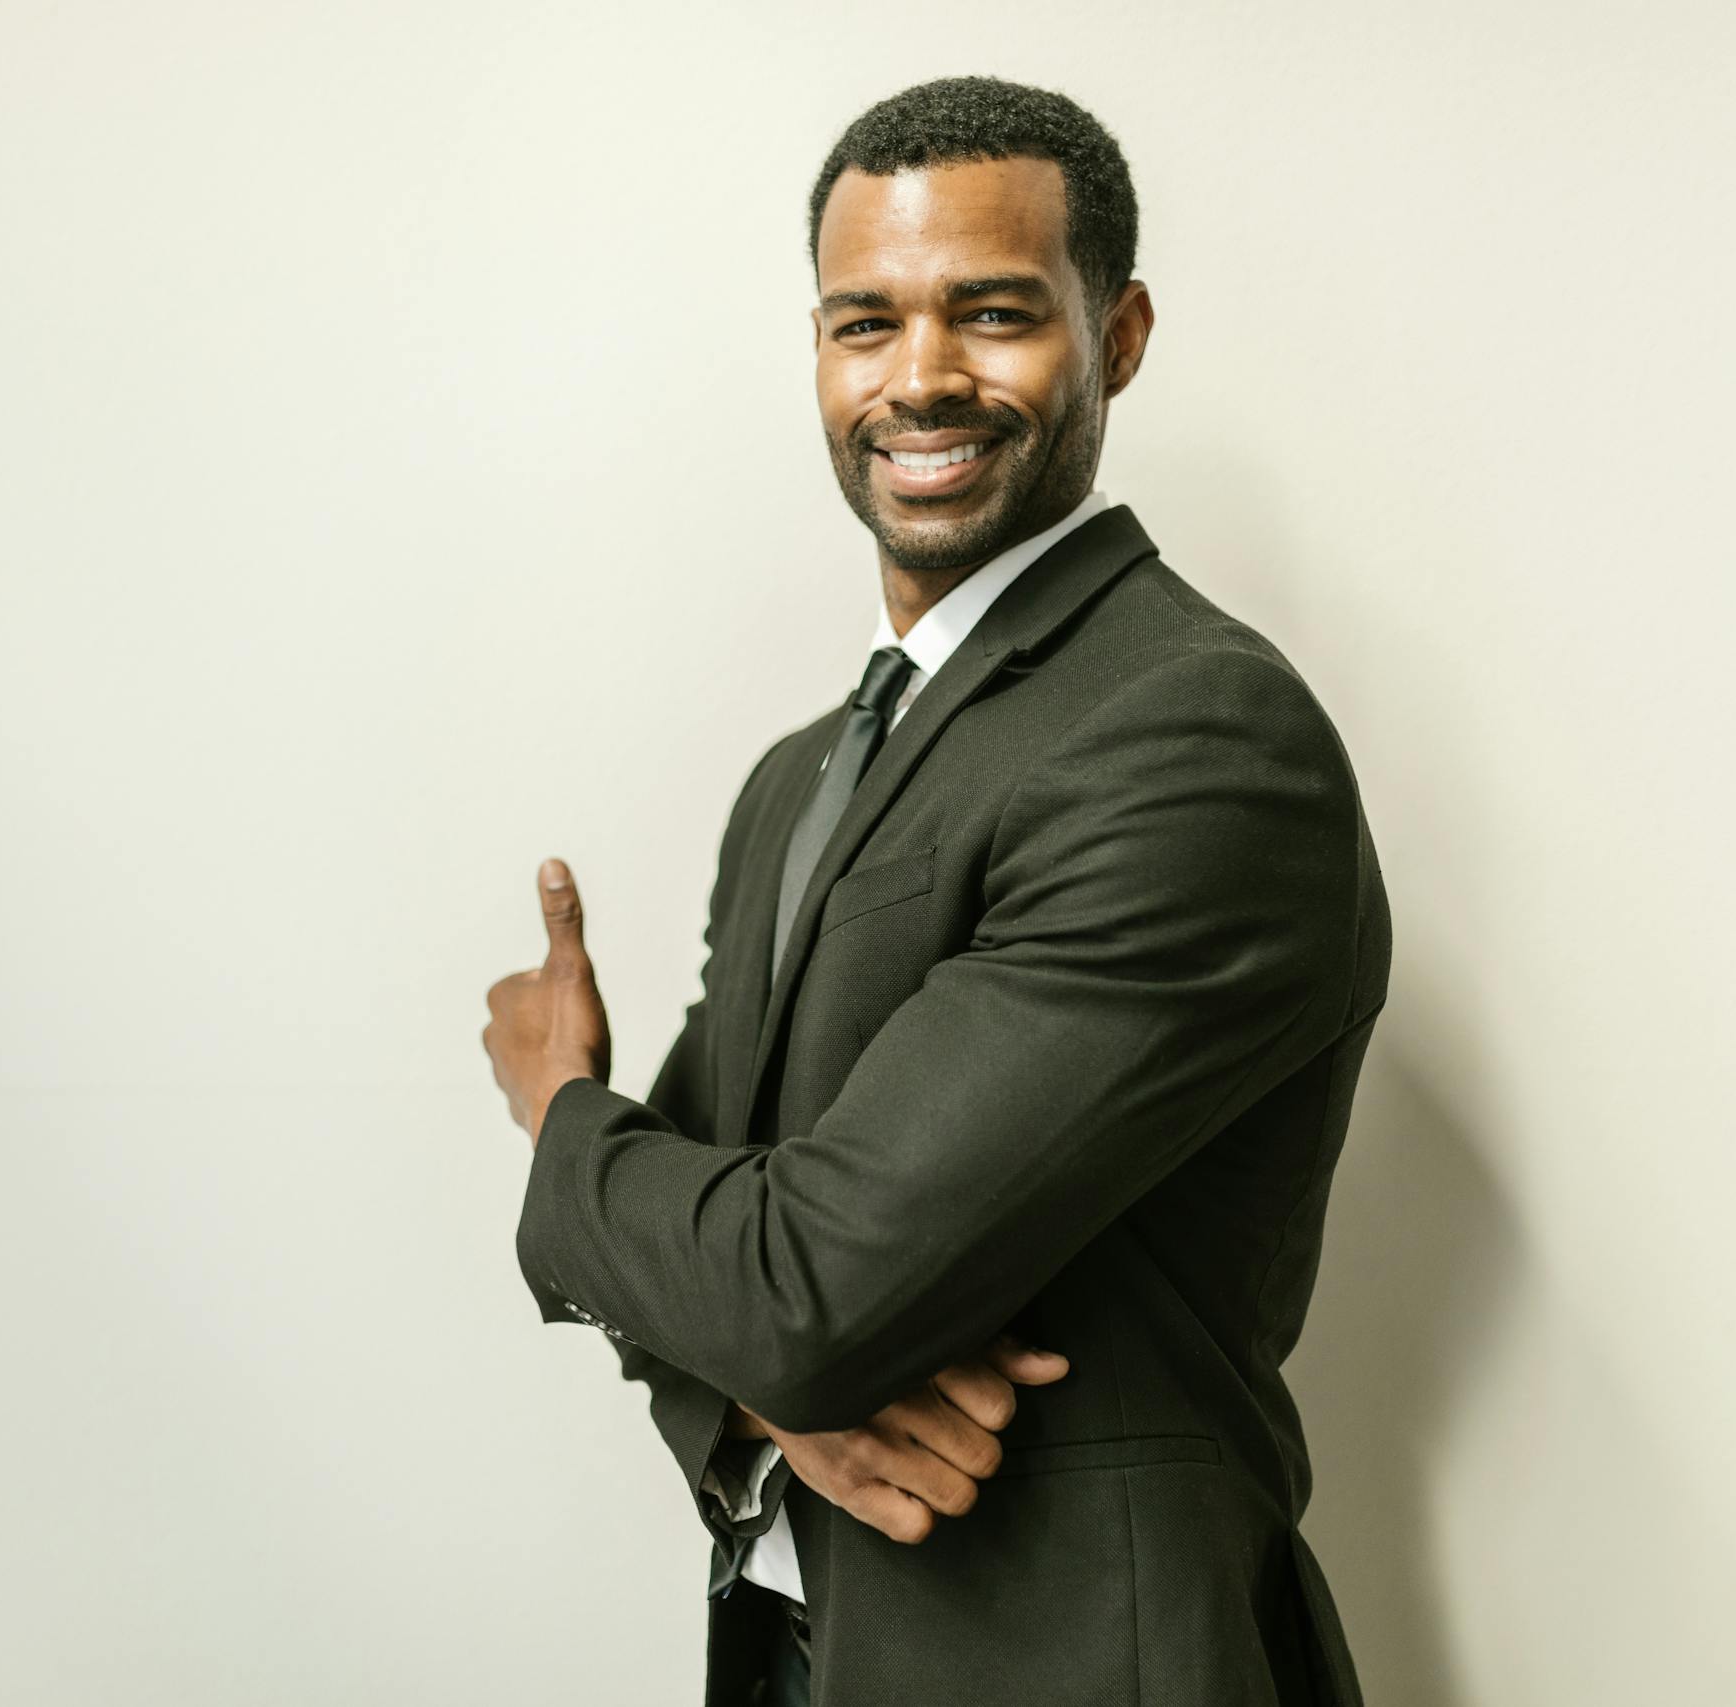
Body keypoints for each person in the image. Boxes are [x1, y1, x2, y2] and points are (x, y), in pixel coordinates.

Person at [482, 73, 1390, 1707]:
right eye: (864, 323)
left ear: (1116, 337)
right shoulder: (797, 778)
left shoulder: (1192, 734)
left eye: (992, 314)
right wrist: (766, 1402)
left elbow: (793, 1285)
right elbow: (704, 1253)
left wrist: (558, 1110)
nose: (921, 379)